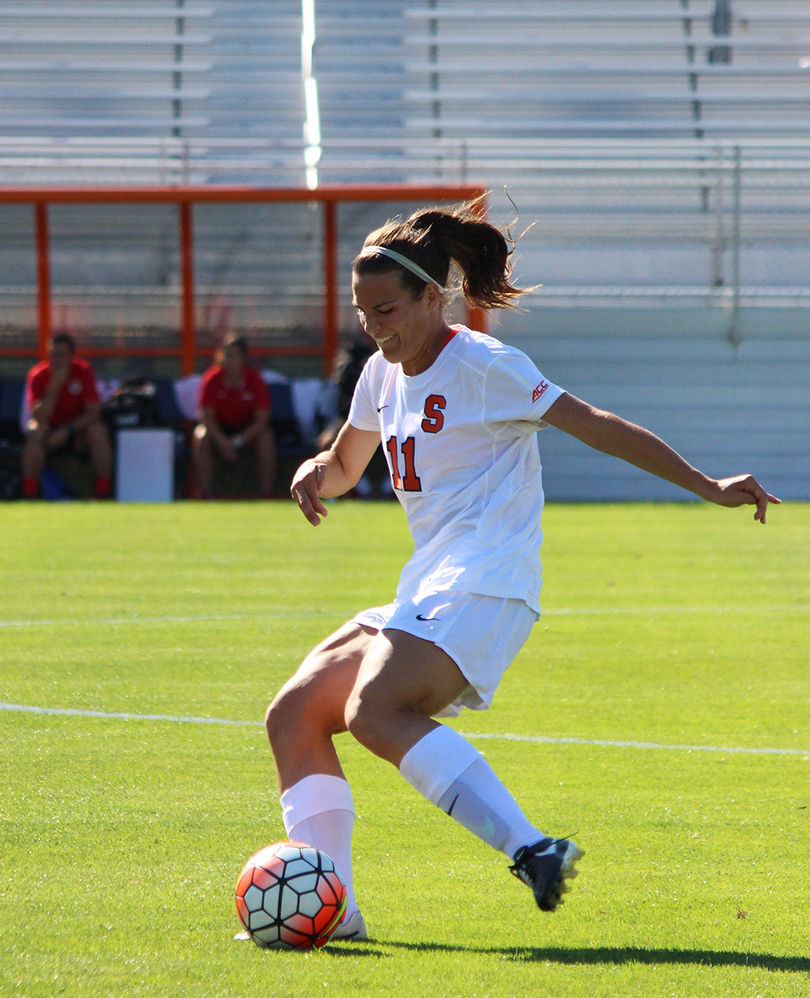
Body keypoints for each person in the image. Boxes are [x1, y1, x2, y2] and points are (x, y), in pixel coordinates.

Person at [265, 201, 780, 941]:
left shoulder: (485, 366)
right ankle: (332, 910)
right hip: (431, 585)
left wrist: (707, 485)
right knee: (294, 713)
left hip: (488, 583)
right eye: (361, 312)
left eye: (385, 310)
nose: (373, 327)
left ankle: (530, 848)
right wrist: (318, 469)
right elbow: (350, 460)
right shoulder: (380, 374)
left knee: (374, 711)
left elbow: (596, 424)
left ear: (431, 298)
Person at [22, 333, 113, 499]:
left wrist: (67, 430)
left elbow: (94, 413)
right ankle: (30, 494)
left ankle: (103, 492)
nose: (56, 359)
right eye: (53, 354)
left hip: (76, 432)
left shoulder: (83, 371)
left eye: (61, 354)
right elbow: (39, 416)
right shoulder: (38, 374)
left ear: (71, 356)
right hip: (49, 434)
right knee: (34, 432)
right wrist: (56, 384)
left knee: (98, 431)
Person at [193, 333, 276, 499]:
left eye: (234, 356)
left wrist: (237, 442)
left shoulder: (255, 380)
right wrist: (223, 442)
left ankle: (266, 494)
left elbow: (261, 420)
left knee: (266, 436)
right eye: (226, 355)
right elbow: (207, 418)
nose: (229, 361)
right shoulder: (212, 379)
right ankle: (205, 495)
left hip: (247, 431)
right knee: (200, 435)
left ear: (244, 358)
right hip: (220, 430)